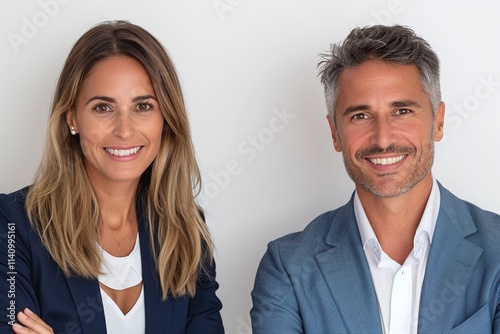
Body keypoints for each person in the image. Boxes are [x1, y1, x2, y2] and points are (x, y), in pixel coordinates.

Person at [251, 24, 500, 333]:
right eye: (360, 116)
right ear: (335, 133)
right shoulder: (288, 267)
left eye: (402, 111)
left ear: (438, 122)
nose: (382, 139)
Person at [0, 21, 224, 334]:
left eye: (143, 106)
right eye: (103, 107)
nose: (124, 130)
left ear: (166, 119)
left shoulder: (186, 230)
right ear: (72, 118)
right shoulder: (11, 225)